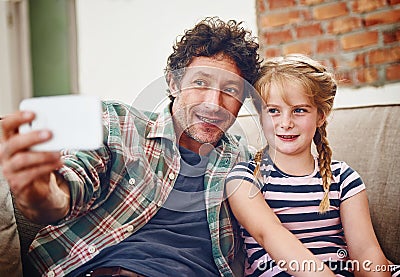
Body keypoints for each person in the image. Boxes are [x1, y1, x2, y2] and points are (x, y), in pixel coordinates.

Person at [0, 17, 261, 277]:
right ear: (173, 83)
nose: (214, 103)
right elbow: (69, 189)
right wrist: (39, 191)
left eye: (230, 89)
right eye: (200, 83)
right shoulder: (117, 124)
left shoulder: (244, 161)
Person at [226, 54, 393, 276]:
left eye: (299, 110)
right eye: (273, 110)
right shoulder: (244, 179)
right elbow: (271, 235)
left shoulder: (343, 178)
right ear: (260, 116)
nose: (286, 123)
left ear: (321, 116)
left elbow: (365, 252)